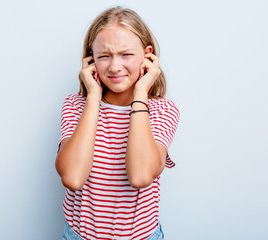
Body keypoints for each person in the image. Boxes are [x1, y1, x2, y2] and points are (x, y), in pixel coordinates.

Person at [56, 6, 180, 240]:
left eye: (126, 54)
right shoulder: (74, 106)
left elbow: (140, 176)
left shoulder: (163, 111)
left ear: (147, 55)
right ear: (91, 59)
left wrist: (141, 92)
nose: (114, 67)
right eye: (104, 56)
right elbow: (72, 177)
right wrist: (93, 97)